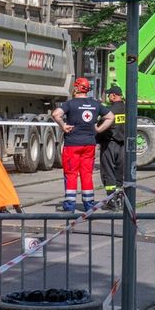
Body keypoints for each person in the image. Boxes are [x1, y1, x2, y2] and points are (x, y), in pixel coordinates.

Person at [52, 77, 113, 212]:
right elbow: (110, 117)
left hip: (72, 144)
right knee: (87, 174)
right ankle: (89, 204)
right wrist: (98, 129)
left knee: (71, 173)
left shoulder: (70, 104)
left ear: (76, 88)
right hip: (89, 144)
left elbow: (56, 114)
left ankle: (69, 205)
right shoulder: (95, 104)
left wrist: (63, 126)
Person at [98, 84, 127, 197]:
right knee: (120, 172)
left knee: (108, 172)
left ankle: (111, 199)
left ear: (114, 96)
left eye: (109, 94)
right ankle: (119, 197)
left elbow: (101, 127)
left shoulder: (109, 111)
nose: (108, 96)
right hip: (124, 145)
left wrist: (97, 141)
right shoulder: (128, 110)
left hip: (109, 144)